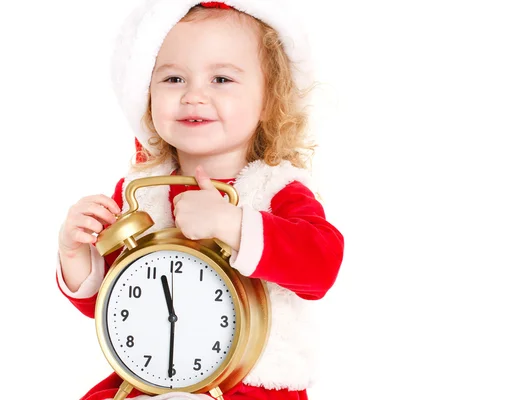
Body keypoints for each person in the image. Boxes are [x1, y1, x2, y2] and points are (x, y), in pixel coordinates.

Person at [56, 1, 344, 399]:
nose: (194, 96)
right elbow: (112, 306)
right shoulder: (142, 190)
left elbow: (321, 265)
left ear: (269, 99)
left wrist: (234, 224)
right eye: (174, 79)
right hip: (149, 378)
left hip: (250, 386)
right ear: (146, 93)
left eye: (221, 79)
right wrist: (77, 259)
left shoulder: (275, 189)